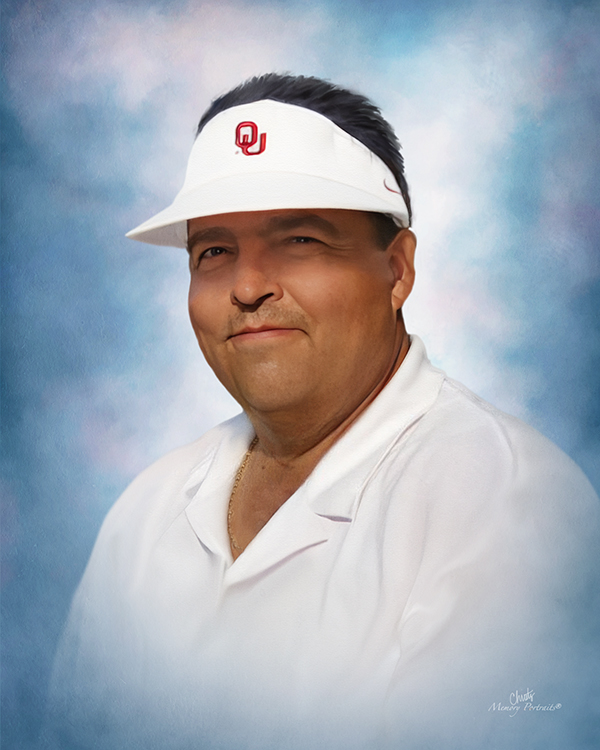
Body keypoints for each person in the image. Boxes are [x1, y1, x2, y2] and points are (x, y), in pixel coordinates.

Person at [44, 74, 599, 750]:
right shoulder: (144, 512)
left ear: (397, 271)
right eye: (214, 251)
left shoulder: (510, 509)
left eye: (300, 239)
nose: (248, 286)